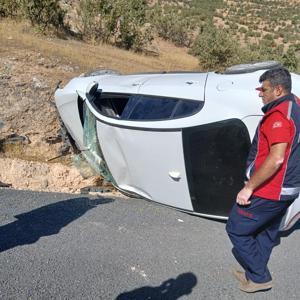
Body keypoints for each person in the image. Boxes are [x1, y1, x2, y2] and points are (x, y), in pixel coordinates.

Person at [226, 67, 300, 293]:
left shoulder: (279, 116)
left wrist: (248, 188)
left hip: (273, 188)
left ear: (278, 90)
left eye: (264, 89)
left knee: (236, 228)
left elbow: (276, 158)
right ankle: (254, 271)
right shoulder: (295, 104)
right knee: (267, 231)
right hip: (290, 186)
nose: (260, 94)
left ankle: (260, 277)